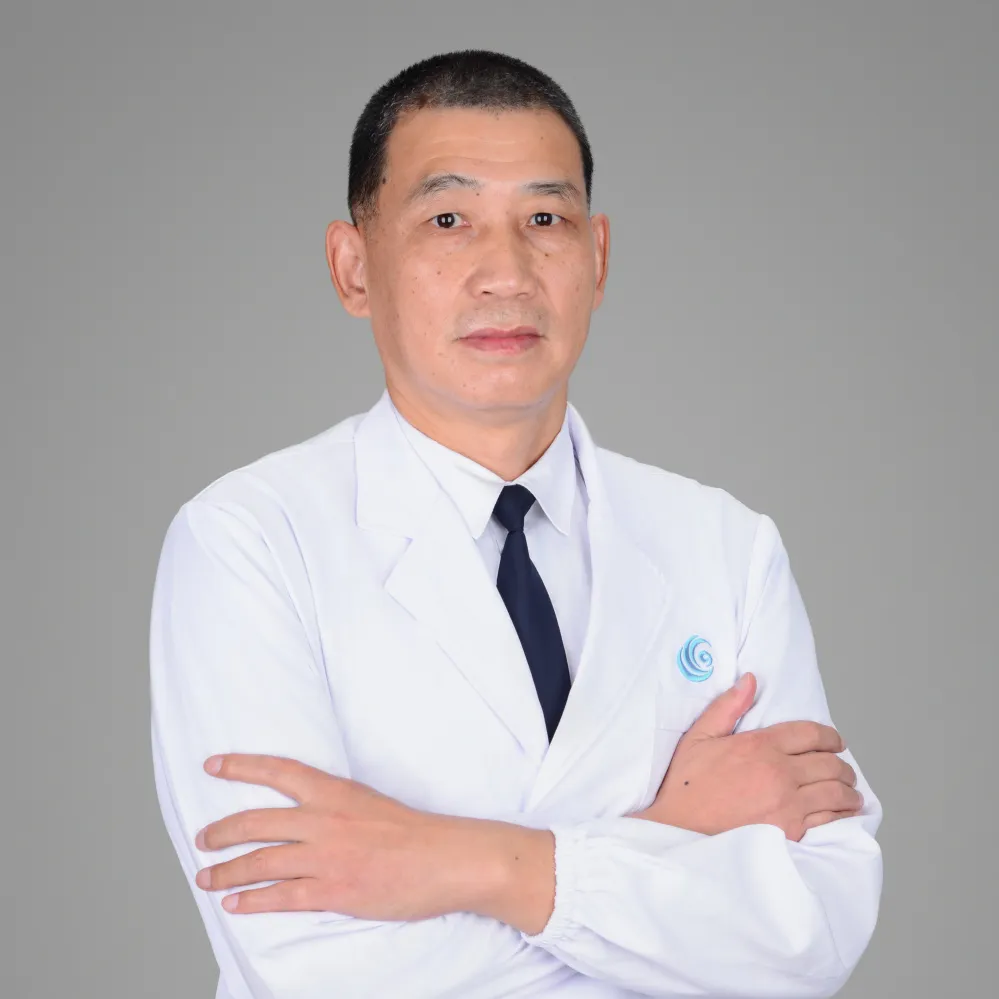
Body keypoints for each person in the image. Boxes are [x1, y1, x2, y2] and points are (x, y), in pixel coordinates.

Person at [149, 49, 883, 999]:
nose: (505, 272)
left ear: (597, 257)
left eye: (545, 220)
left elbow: (813, 932)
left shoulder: (725, 544)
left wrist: (462, 866)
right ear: (353, 267)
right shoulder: (249, 540)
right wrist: (672, 834)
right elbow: (316, 967)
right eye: (447, 220)